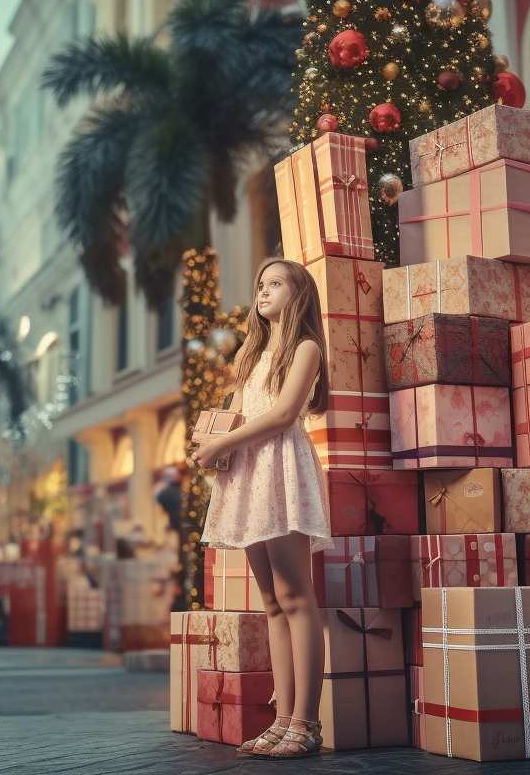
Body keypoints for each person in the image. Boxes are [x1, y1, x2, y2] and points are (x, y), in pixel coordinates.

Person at [191, 257, 331, 759]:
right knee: (271, 601)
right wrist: (212, 441)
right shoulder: (253, 353)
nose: (263, 290)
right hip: (249, 472)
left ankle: (307, 723)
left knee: (297, 597)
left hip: (280, 468)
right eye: (261, 283)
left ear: (298, 295)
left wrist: (218, 447)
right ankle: (282, 720)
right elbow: (241, 415)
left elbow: (284, 413)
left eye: (276, 283)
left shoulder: (306, 347)